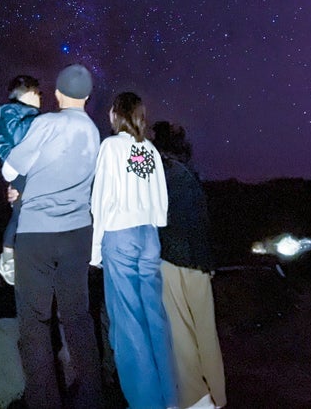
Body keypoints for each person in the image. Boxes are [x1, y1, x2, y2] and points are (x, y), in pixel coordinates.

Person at [2, 64, 103, 409]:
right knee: (77, 317)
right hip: (78, 234)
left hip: (37, 234)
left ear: (58, 94)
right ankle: (92, 398)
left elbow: (11, 168)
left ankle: (45, 402)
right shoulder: (94, 133)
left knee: (34, 323)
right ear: (87, 97)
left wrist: (21, 186)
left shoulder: (45, 123)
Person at [91, 92, 179, 409]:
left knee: (128, 323)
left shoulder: (111, 147)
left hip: (121, 235)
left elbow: (101, 200)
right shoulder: (149, 150)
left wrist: (95, 250)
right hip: (149, 236)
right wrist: (154, 224)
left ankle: (145, 402)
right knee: (155, 317)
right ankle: (170, 396)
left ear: (116, 114)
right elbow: (160, 197)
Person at [152, 122, 226, 409]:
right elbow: (201, 222)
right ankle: (216, 394)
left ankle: (195, 399)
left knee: (181, 334)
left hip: (172, 260)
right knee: (206, 331)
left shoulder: (161, 171)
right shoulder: (190, 174)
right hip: (199, 261)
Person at [0, 74, 41, 284]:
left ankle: (15, 258)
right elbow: (21, 140)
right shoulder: (14, 113)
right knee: (21, 213)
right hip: (20, 169)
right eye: (38, 94)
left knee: (22, 213)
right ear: (28, 94)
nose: (41, 99)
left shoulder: (19, 114)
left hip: (23, 170)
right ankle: (8, 258)